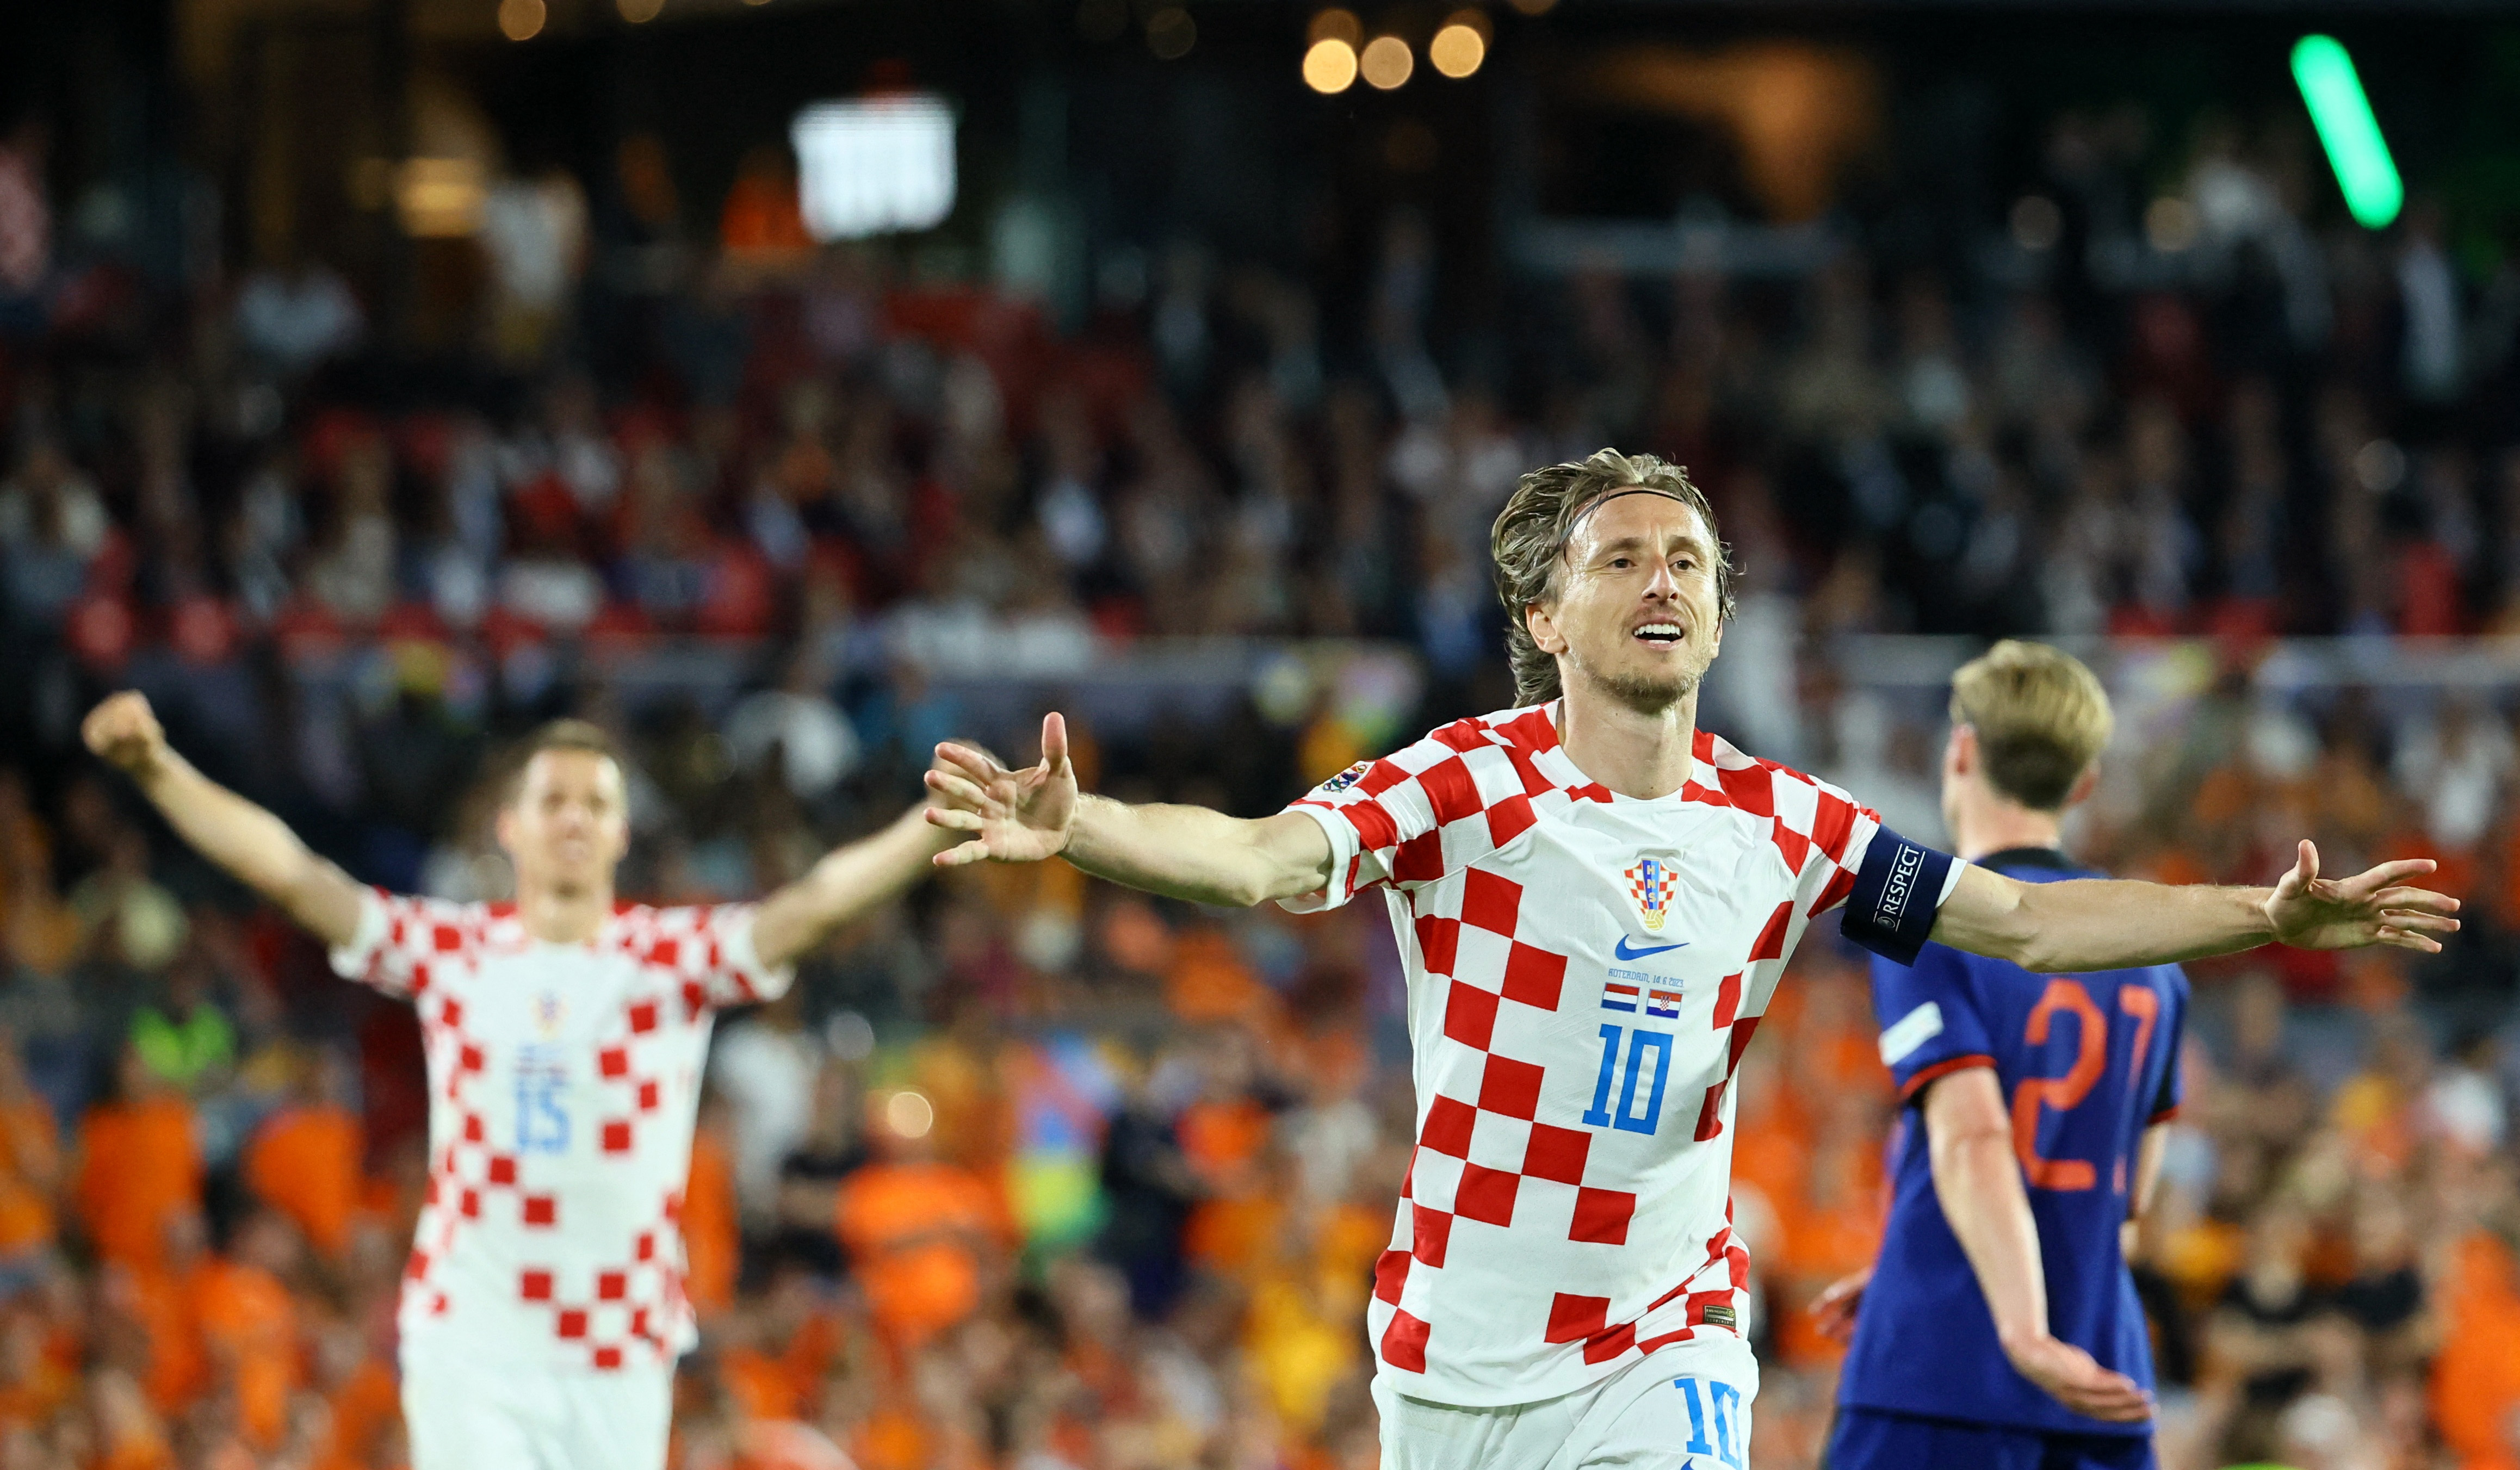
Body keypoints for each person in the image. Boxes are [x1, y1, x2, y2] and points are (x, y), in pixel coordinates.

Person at [917, 449, 2460, 1469]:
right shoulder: (1467, 778)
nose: (1663, 580)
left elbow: (2035, 922)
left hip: (1667, 1338)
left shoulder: (1787, 822)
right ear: (1548, 610)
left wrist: (2263, 914)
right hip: (1455, 1357)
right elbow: (1261, 859)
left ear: (1720, 616)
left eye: (1689, 563)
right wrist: (1091, 828)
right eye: (1623, 560)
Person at [79, 692, 955, 1470]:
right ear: (510, 824)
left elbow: (816, 904)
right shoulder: (454, 952)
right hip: (476, 1341)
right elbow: (292, 874)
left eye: (596, 803)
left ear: (620, 831)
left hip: (620, 1349)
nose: (574, 818)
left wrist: (936, 823)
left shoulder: (669, 958)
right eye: (553, 799)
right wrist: (159, 771)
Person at [1812, 640, 2177, 1469]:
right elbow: (2128, 1197)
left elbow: (1974, 1138)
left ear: (1961, 749)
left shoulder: (1925, 915)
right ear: (2082, 785)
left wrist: (2013, 1325)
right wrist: (1929, 1234)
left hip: (1942, 1372)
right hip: (2101, 1380)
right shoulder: (2152, 957)